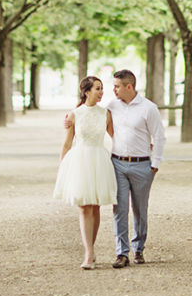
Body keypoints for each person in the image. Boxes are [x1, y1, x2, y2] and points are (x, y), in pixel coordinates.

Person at [54, 76, 117, 269]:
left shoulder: (105, 113)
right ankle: (88, 253)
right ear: (87, 91)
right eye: (97, 88)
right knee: (84, 207)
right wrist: (62, 167)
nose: (101, 92)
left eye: (102, 88)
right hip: (79, 161)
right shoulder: (74, 114)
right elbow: (67, 143)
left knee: (95, 206)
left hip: (99, 159)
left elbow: (116, 137)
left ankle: (91, 248)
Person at [107, 69, 166, 268]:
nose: (113, 90)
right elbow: (93, 116)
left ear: (129, 86)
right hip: (117, 164)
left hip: (142, 165)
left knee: (140, 210)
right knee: (119, 209)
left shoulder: (149, 108)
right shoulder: (112, 105)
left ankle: (138, 248)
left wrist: (154, 165)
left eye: (116, 86)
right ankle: (121, 253)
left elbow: (159, 136)